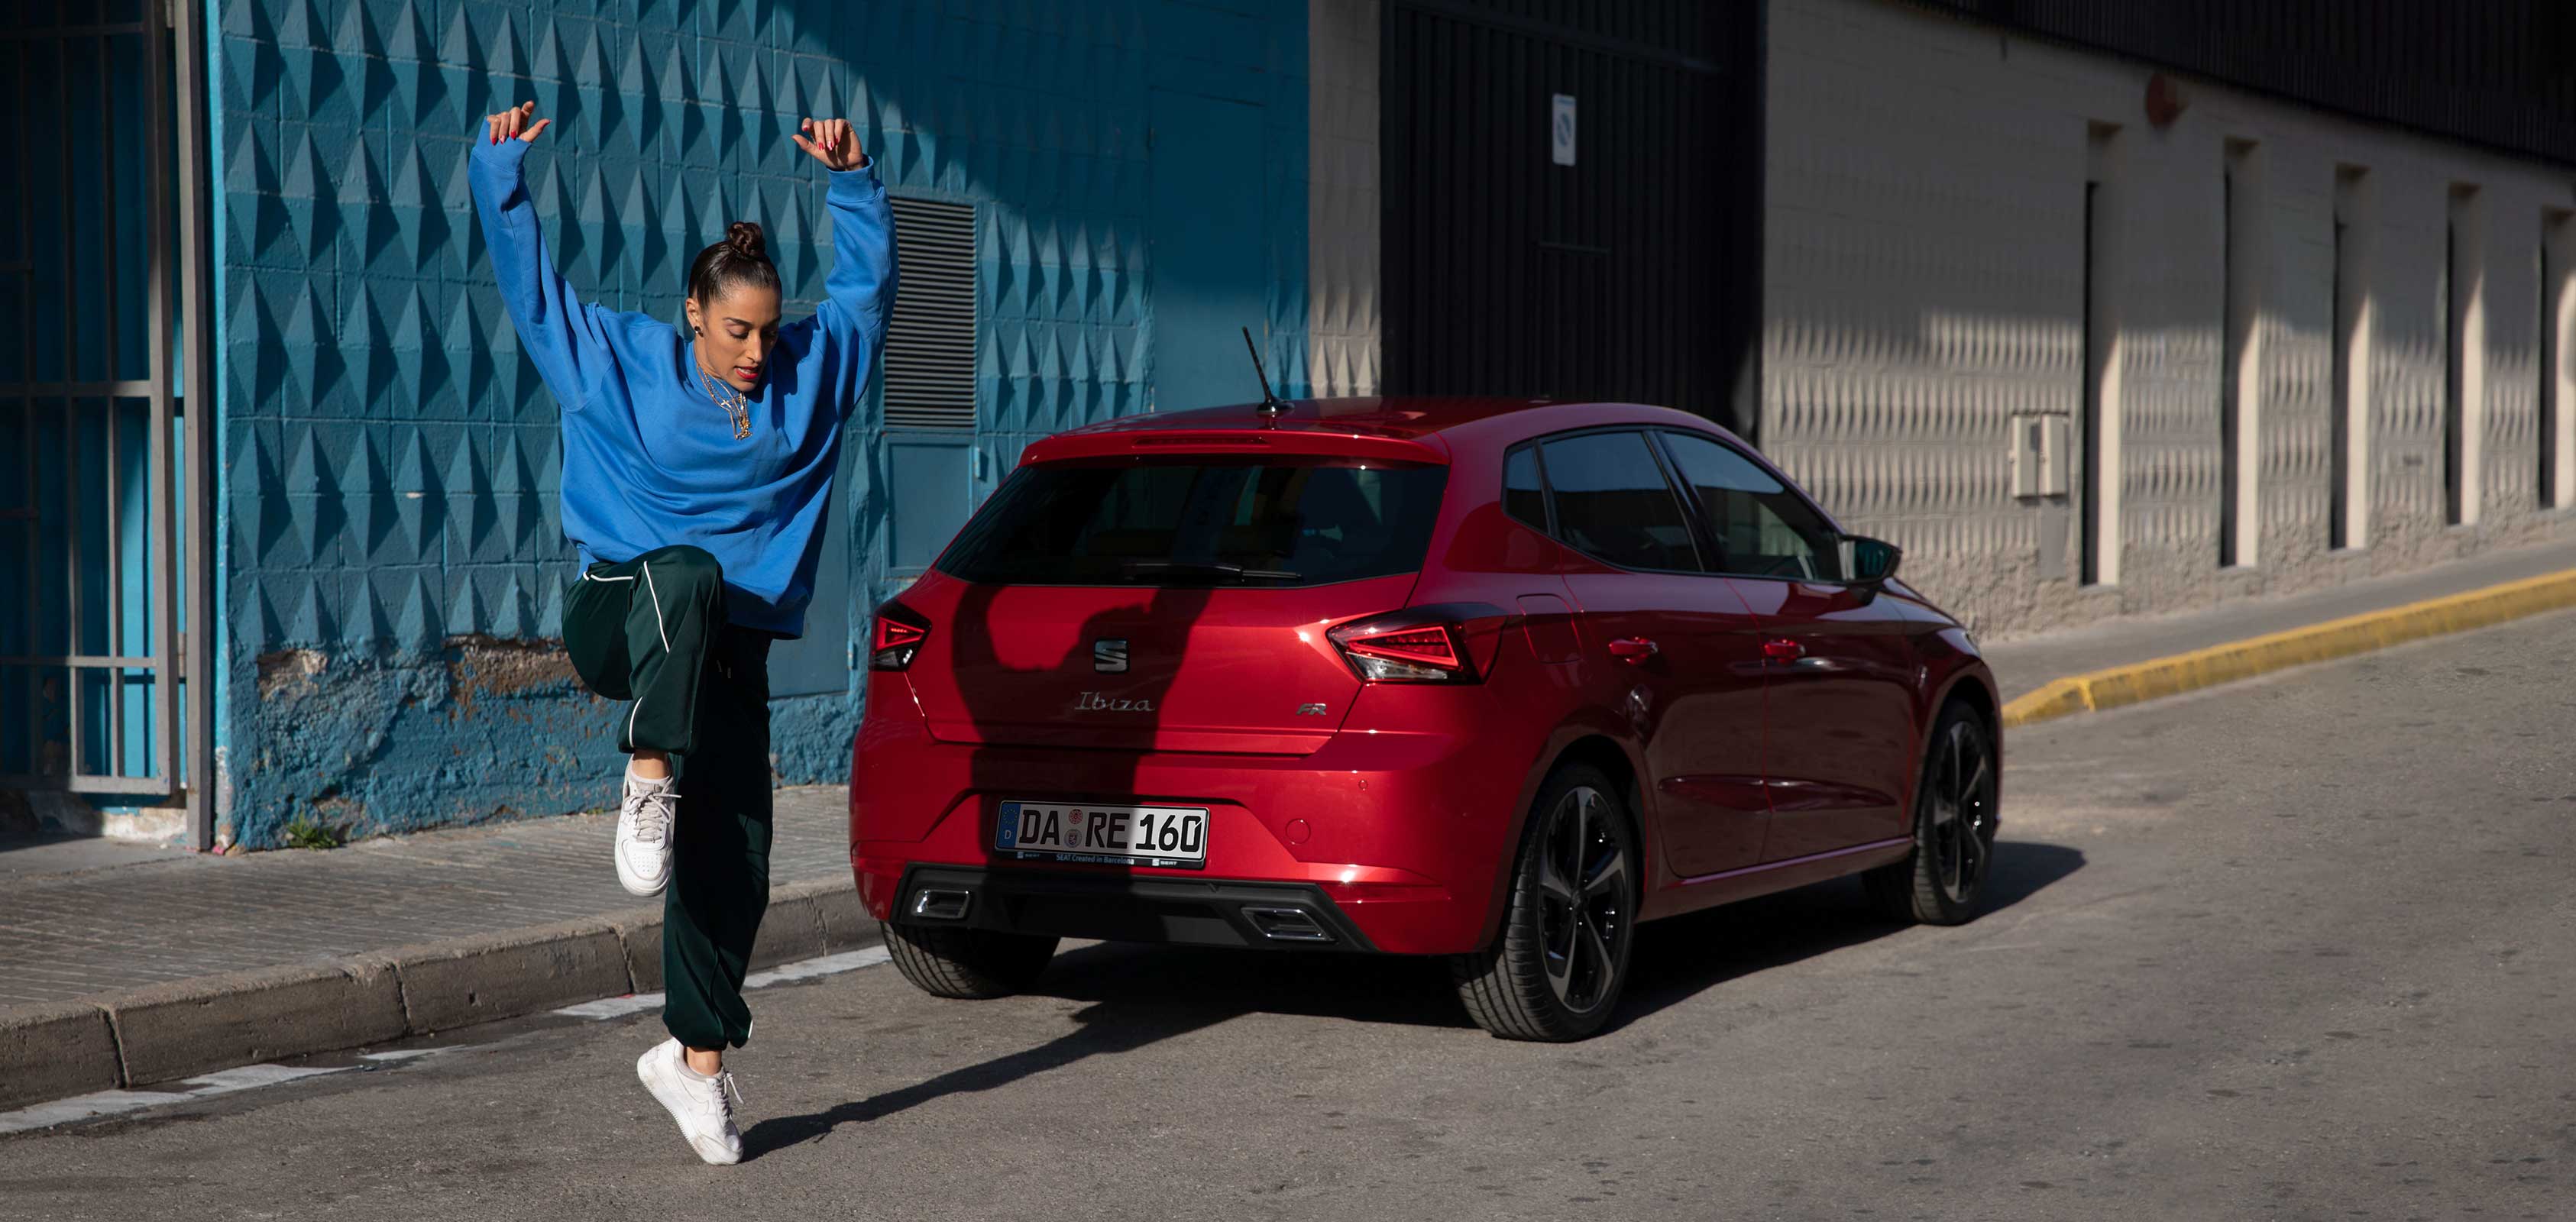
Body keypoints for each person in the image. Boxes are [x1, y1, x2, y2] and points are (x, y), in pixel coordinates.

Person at [468, 100, 894, 1165]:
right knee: (693, 577)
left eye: (767, 329)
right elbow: (531, 289)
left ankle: (695, 1063)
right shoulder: (618, 363)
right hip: (620, 615)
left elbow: (869, 294)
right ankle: (646, 770)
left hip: (727, 657)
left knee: (738, 855)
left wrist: (854, 181)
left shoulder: (809, 374)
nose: (755, 352)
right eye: (735, 331)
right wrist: (498, 171)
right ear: (693, 315)